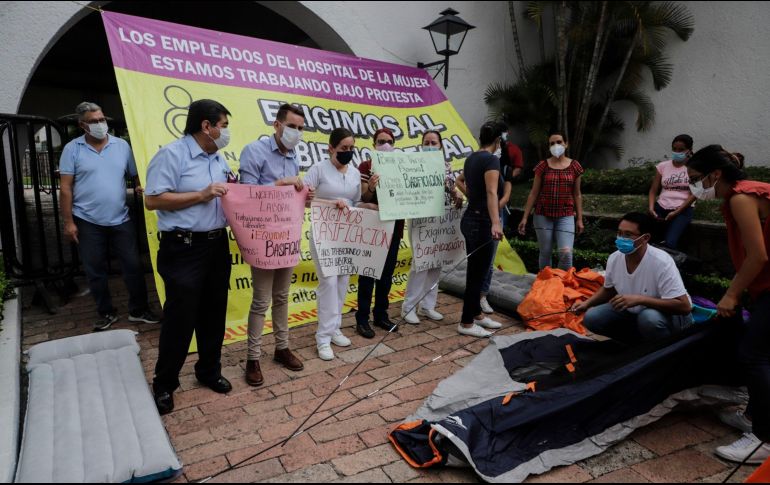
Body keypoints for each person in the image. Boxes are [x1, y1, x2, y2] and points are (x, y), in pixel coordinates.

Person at [144, 99, 235, 415]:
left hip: (216, 245)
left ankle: (208, 370)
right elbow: (153, 200)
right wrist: (201, 194)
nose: (226, 132)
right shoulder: (172, 154)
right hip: (183, 248)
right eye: (223, 126)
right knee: (180, 318)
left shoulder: (217, 158)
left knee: (214, 312)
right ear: (206, 126)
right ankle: (164, 383)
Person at [684, 146, 770, 464]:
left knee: (754, 356)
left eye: (695, 179)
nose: (693, 186)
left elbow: (758, 256)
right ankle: (753, 416)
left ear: (715, 175)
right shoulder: (746, 193)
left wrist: (732, 294)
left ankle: (765, 438)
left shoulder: (741, 198)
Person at [59, 101, 159, 331]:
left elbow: (136, 176)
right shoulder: (72, 149)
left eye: (102, 120)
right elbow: (66, 188)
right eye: (94, 121)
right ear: (82, 125)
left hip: (120, 218)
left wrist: (140, 186)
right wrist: (69, 222)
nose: (100, 125)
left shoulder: (121, 146)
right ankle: (106, 312)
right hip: (87, 220)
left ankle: (139, 310)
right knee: (95, 269)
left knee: (133, 265)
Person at [238, 103, 312, 386]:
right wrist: (280, 183)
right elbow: (246, 194)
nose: (296, 132)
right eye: (292, 126)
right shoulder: (254, 151)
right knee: (261, 300)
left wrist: (305, 195)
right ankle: (252, 358)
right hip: (261, 239)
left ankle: (282, 348)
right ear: (277, 125)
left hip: (287, 236)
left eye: (301, 128)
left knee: (282, 297)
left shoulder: (293, 157)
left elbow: (290, 199)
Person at [304, 128, 374, 360]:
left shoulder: (354, 173)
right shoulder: (317, 169)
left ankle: (334, 328)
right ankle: (322, 338)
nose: (348, 152)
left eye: (351, 148)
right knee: (329, 283)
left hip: (347, 235)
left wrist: (369, 203)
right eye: (343, 148)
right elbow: (305, 199)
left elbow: (355, 203)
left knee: (343, 281)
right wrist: (330, 203)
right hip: (324, 235)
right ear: (331, 148)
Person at [571, 212, 694, 343]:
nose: (621, 238)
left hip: (668, 316)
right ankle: (635, 344)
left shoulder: (661, 262)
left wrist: (640, 299)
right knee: (592, 317)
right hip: (634, 312)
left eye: (628, 235)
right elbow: (609, 289)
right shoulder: (615, 258)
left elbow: (684, 306)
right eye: (619, 233)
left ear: (645, 238)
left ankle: (663, 350)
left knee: (648, 318)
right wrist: (586, 304)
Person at [401, 130, 463, 325]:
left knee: (436, 261)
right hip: (420, 219)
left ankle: (427, 305)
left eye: (433, 142)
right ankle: (409, 307)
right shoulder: (413, 165)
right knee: (421, 262)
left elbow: (452, 189)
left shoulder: (446, 166)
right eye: (426, 142)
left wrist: (455, 194)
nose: (429, 145)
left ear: (440, 146)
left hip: (441, 219)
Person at [456, 121, 506, 338]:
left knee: (477, 269)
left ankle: (477, 314)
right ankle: (466, 323)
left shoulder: (472, 158)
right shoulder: (491, 160)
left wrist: (471, 197)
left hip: (470, 219)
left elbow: (461, 181)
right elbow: (492, 193)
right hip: (481, 222)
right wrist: (496, 222)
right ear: (497, 141)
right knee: (477, 273)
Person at [354, 128, 403, 338]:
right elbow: (364, 198)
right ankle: (362, 319)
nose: (385, 145)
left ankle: (381, 315)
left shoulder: (402, 164)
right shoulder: (366, 166)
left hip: (394, 227)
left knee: (386, 275)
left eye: (389, 141)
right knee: (367, 274)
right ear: (373, 144)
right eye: (381, 141)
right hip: (372, 229)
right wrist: (372, 187)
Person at [517, 132, 585, 271]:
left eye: (559, 142)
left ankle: (562, 283)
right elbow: (534, 193)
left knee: (566, 253)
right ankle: (546, 283)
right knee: (545, 252)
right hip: (543, 214)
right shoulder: (543, 166)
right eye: (552, 143)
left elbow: (577, 194)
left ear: (566, 144)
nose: (556, 145)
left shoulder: (575, 166)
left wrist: (579, 219)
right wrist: (525, 217)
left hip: (566, 214)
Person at [478, 130, 519, 314]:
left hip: (496, 214)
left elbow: (505, 194)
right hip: (482, 215)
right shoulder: (481, 161)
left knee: (490, 259)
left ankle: (483, 295)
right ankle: (475, 297)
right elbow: (463, 182)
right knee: (480, 258)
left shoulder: (504, 168)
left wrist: (496, 208)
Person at [648, 134, 697, 249]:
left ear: (689, 151)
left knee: (670, 243)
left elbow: (694, 194)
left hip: (683, 209)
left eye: (681, 150)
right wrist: (651, 208)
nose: (677, 152)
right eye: (674, 149)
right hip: (661, 206)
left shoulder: (694, 168)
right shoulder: (663, 166)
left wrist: (677, 212)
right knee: (651, 241)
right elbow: (653, 190)